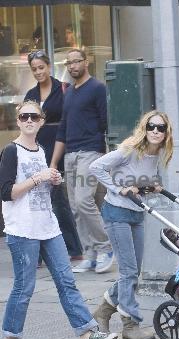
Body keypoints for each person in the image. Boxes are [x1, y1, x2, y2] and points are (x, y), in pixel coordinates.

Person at [0, 100, 118, 339]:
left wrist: (52, 179)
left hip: (48, 227)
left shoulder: (41, 150)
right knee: (24, 287)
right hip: (23, 230)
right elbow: (7, 192)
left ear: (42, 121)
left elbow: (40, 191)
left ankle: (87, 334)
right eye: (24, 117)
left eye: (34, 117)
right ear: (18, 120)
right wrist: (38, 177)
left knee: (66, 281)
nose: (29, 121)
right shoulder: (12, 151)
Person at [89, 110, 173, 339]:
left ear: (167, 133)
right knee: (128, 272)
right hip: (116, 212)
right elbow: (96, 167)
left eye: (161, 128)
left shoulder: (157, 155)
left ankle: (102, 313)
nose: (155, 131)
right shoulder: (129, 150)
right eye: (151, 126)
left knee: (132, 272)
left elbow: (138, 179)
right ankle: (130, 325)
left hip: (136, 213)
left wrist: (152, 185)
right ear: (144, 129)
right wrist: (119, 188)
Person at [50, 48, 113, 274]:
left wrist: (107, 154)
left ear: (86, 62)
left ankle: (106, 248)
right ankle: (90, 254)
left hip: (91, 152)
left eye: (76, 62)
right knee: (76, 207)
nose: (72, 66)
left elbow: (107, 122)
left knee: (85, 201)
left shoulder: (97, 88)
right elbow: (63, 129)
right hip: (70, 154)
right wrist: (54, 162)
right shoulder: (69, 93)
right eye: (69, 63)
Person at [24, 50, 83, 262]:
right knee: (38, 199)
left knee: (57, 199)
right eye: (34, 69)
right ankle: (41, 251)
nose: (39, 72)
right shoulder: (31, 94)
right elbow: (26, 123)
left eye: (41, 67)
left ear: (49, 67)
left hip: (59, 146)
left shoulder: (64, 89)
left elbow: (70, 121)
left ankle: (73, 248)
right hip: (36, 149)